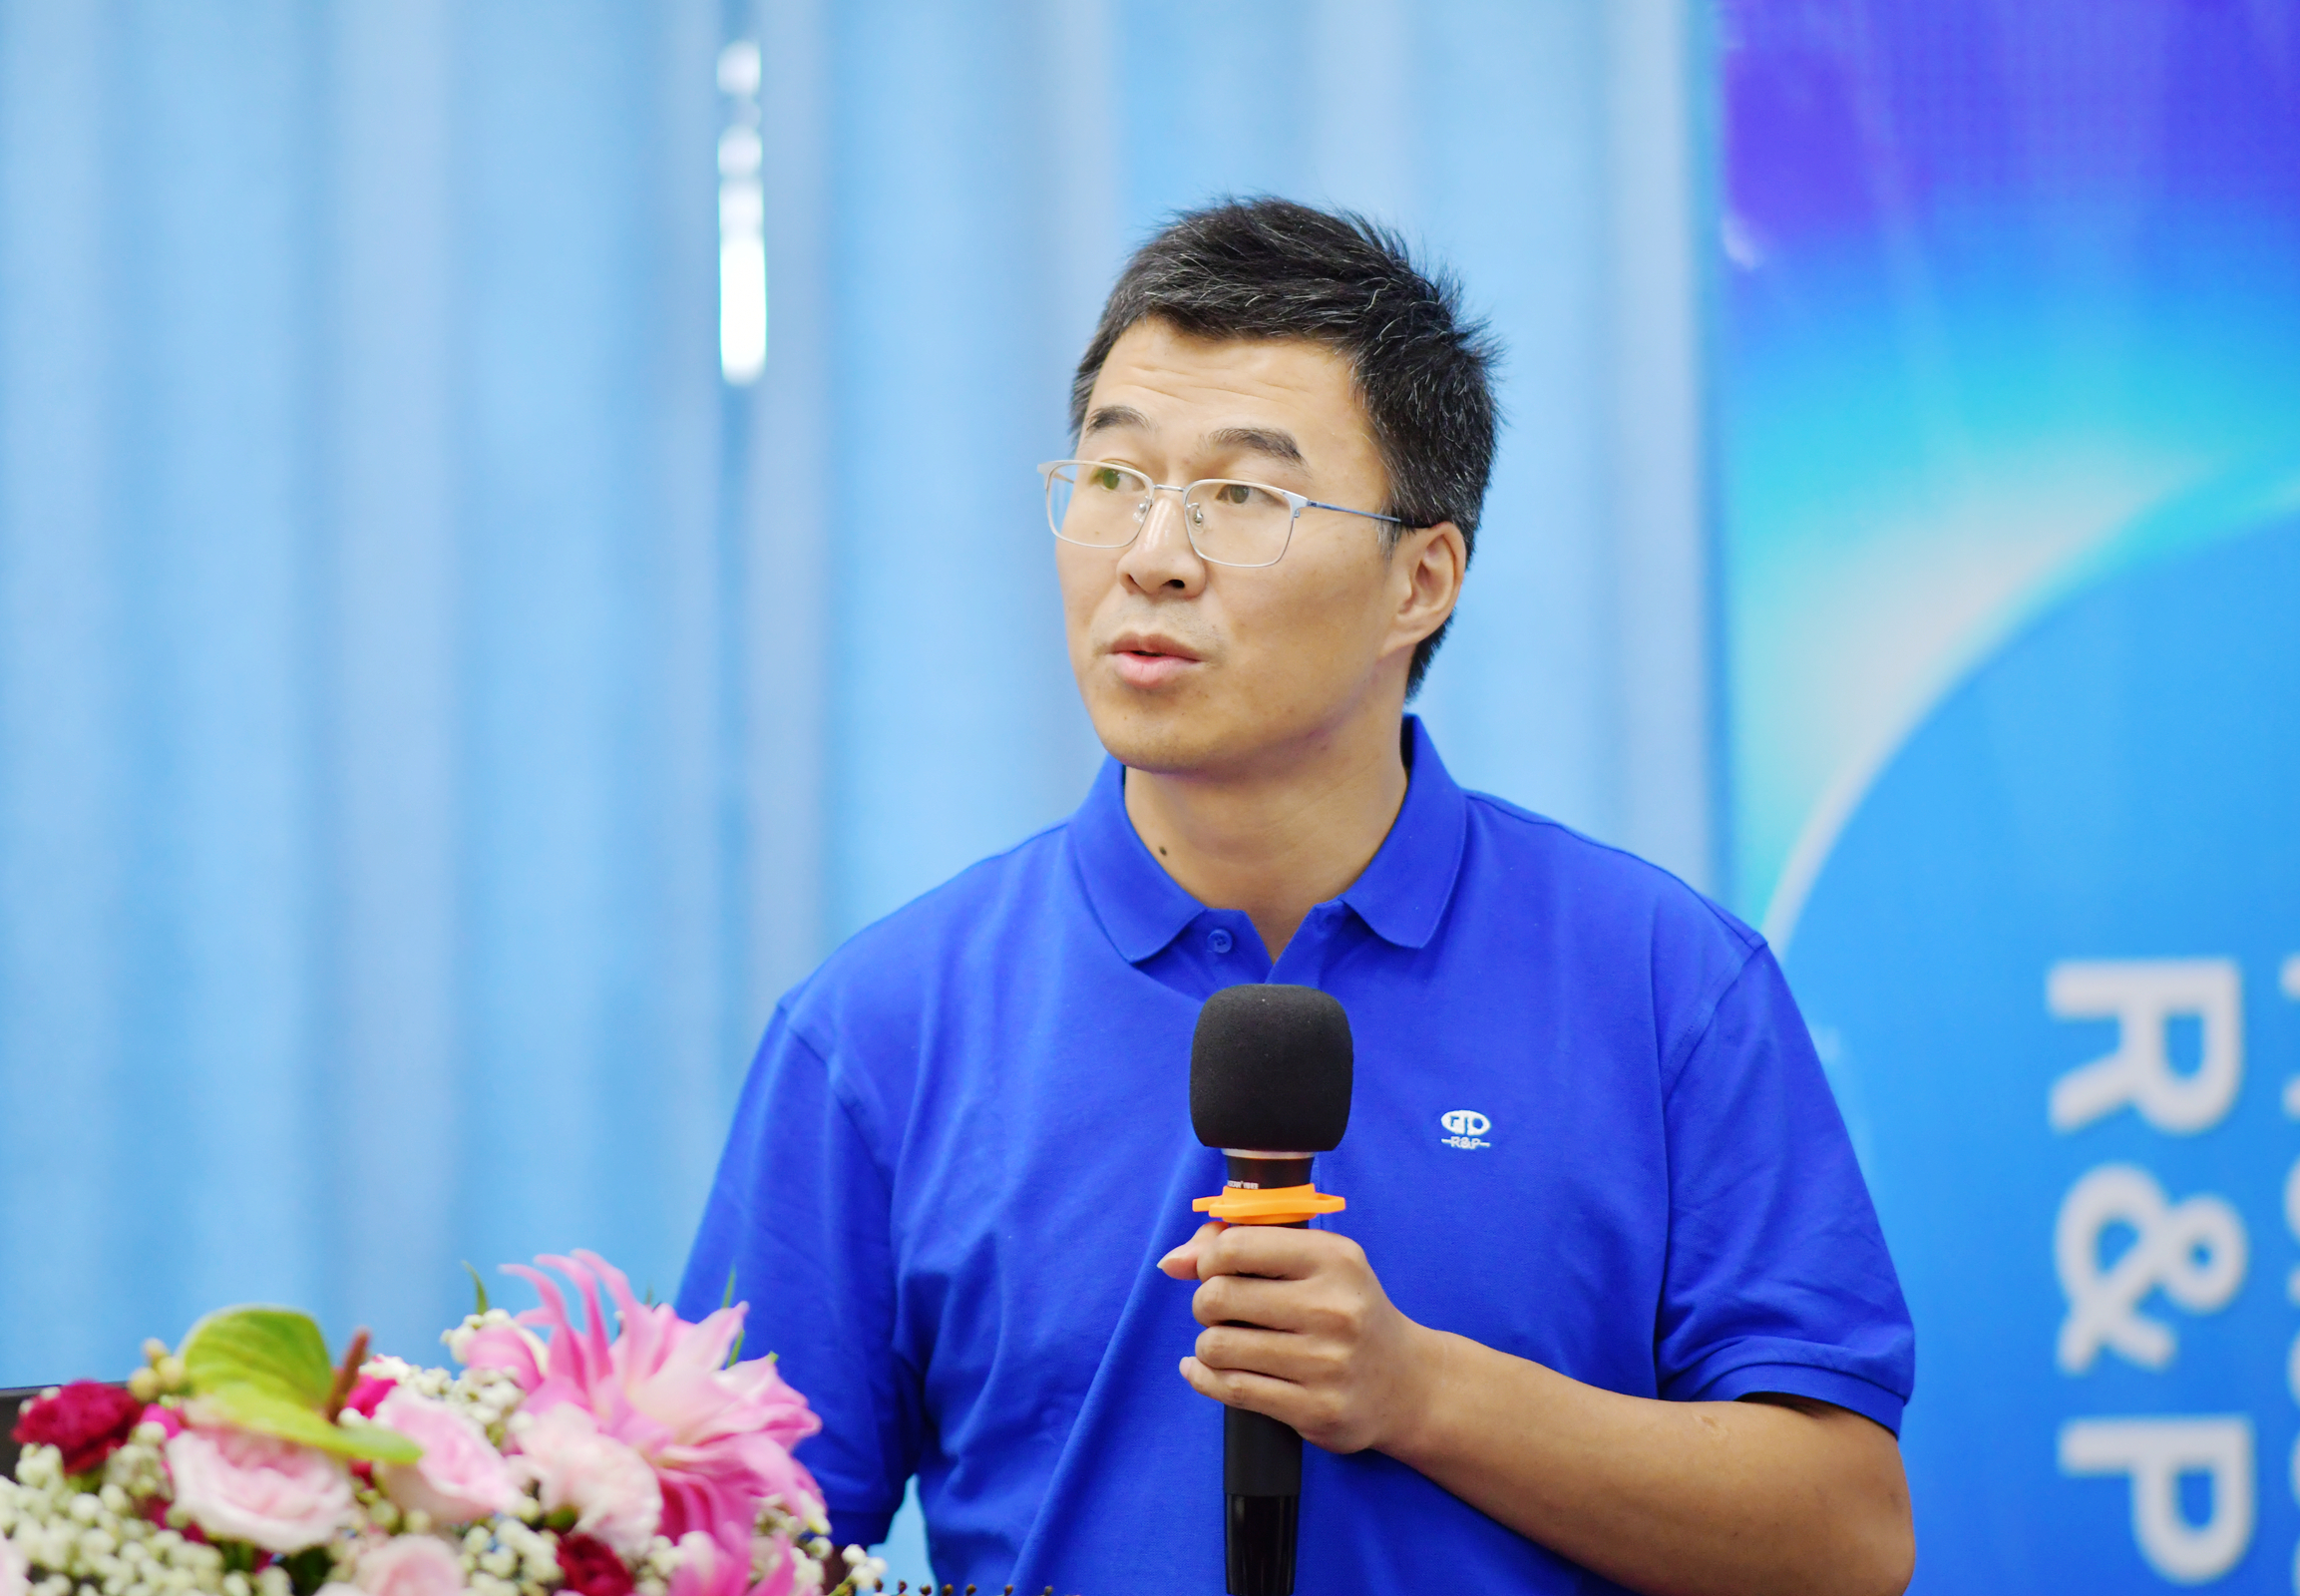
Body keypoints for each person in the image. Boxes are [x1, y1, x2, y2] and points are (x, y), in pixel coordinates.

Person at [677, 198, 1915, 1596]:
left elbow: (1846, 1539)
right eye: (1113, 478)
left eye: (1242, 498)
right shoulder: (883, 1028)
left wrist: (1423, 1393)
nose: (1152, 554)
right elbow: (732, 1547)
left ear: (1420, 581)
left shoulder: (1663, 984)